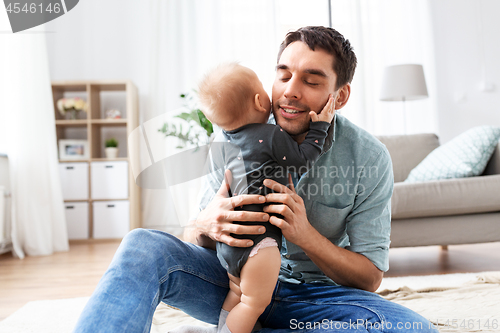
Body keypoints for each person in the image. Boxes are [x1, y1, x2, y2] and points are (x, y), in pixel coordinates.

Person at [73, 26, 438, 333]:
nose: (290, 91)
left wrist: (305, 235)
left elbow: (369, 278)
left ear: (338, 96)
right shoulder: (233, 142)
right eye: (282, 75)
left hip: (319, 298)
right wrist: (206, 224)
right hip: (234, 284)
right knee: (143, 246)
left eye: (311, 80)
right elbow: (192, 241)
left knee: (410, 328)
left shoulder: (368, 157)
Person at [196, 62, 335, 333]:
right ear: (261, 101)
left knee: (237, 293)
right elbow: (302, 160)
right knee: (253, 304)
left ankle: (221, 328)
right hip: (261, 243)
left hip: (230, 245)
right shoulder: (270, 136)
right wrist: (321, 128)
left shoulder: (224, 145)